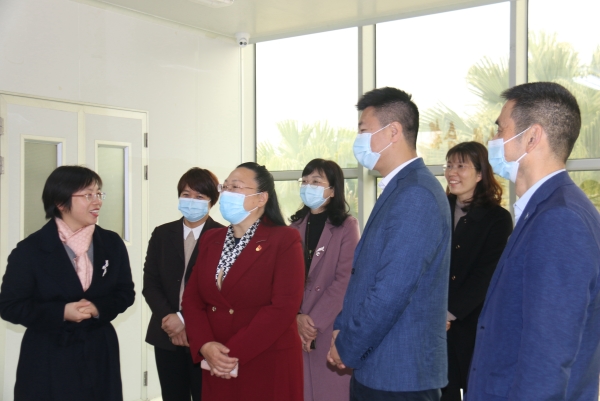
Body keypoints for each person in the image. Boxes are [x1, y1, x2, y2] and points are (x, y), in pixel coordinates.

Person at [467, 82, 600, 400]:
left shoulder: (560, 219)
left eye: (500, 129)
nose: (494, 140)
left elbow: (547, 360)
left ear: (532, 137)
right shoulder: (546, 209)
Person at [328, 87, 452, 401]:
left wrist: (347, 346)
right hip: (378, 370)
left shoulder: (416, 194)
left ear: (393, 131)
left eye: (364, 131)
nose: (359, 140)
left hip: (399, 376)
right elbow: (365, 275)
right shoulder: (399, 188)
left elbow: (390, 291)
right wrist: (342, 328)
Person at [0, 165, 135, 401]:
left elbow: (125, 293)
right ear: (60, 202)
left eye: (99, 193)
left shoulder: (111, 243)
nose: (97, 201)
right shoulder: (30, 250)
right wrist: (61, 312)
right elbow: (10, 306)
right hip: (49, 355)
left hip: (99, 351)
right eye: (88, 195)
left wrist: (97, 308)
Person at [181, 162, 304, 401]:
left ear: (261, 198)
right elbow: (192, 299)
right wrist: (205, 345)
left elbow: (283, 307)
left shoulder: (284, 239)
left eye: (235, 187)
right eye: (225, 187)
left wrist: (230, 354)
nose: (226, 193)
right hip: (216, 360)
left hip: (264, 360)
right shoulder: (211, 238)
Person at [143, 168, 224, 401]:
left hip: (206, 335)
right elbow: (150, 283)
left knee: (205, 395)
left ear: (212, 201)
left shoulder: (223, 236)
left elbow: (220, 290)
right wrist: (170, 318)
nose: (191, 201)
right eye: (186, 194)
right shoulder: (162, 234)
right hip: (166, 333)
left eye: (199, 196)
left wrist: (185, 319)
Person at [440, 142, 513, 401]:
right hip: (435, 326)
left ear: (480, 173)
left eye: (461, 166)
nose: (452, 172)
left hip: (476, 324)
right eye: (449, 165)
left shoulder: (498, 218)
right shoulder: (437, 209)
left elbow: (486, 274)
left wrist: (449, 313)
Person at [289, 158, 360, 401]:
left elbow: (345, 280)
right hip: (295, 328)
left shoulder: (347, 226)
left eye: (316, 181)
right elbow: (284, 281)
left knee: (330, 392)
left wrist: (312, 323)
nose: (308, 186)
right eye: (305, 181)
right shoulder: (293, 227)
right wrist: (297, 317)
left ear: (332, 189)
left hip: (329, 325)